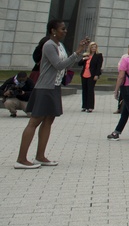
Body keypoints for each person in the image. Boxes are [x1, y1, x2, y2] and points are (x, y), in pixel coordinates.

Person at [15, 20, 88, 169]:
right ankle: (21, 159)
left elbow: (65, 64)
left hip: (54, 86)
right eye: (62, 29)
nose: (65, 31)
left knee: (49, 120)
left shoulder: (59, 45)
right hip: (45, 88)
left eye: (65, 28)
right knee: (35, 121)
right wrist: (77, 52)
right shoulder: (48, 45)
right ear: (53, 30)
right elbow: (59, 64)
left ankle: (40, 156)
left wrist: (76, 53)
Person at [78, 42, 102, 113]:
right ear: (90, 48)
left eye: (95, 47)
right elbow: (79, 64)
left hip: (92, 75)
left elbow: (99, 66)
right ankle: (84, 106)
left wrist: (97, 75)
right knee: (84, 90)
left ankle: (90, 106)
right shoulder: (87, 55)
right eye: (92, 47)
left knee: (90, 90)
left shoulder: (98, 55)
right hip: (84, 74)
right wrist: (84, 59)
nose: (94, 49)